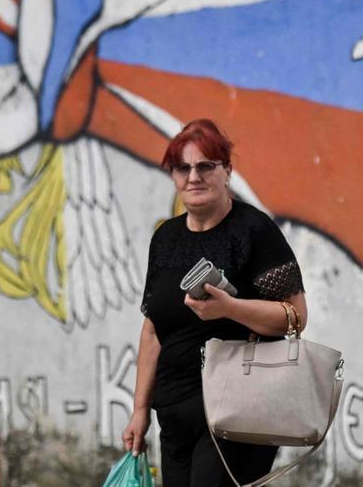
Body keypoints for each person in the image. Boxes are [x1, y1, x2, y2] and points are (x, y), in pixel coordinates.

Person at [121, 118, 309, 487]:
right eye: (183, 168)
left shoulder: (254, 231)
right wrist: (140, 411)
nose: (194, 177)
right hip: (173, 413)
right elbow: (153, 330)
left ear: (227, 172)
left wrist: (230, 309)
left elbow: (296, 317)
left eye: (206, 166)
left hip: (237, 410)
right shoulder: (166, 239)